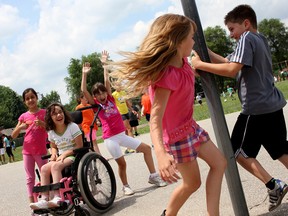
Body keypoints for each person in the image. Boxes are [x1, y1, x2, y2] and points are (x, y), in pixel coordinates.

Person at [111, 14, 227, 216]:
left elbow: (191, 74)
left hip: (191, 127)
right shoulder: (165, 75)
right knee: (193, 183)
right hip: (177, 137)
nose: (194, 41)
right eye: (191, 37)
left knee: (220, 163)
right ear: (179, 40)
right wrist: (161, 153)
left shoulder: (184, 62)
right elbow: (155, 118)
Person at [191, 4, 288, 212]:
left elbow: (231, 69)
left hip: (256, 108)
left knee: (236, 151)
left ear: (245, 23)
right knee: (281, 150)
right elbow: (230, 61)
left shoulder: (246, 38)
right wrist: (206, 52)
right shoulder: (260, 39)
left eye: (231, 29)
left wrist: (199, 65)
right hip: (272, 103)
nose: (230, 35)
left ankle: (274, 185)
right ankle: (275, 185)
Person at [81, 51, 167, 196]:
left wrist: (105, 64)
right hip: (111, 139)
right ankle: (126, 186)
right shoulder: (96, 104)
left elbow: (106, 80)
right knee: (122, 164)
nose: (102, 95)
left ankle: (153, 176)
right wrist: (84, 74)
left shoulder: (111, 99)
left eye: (103, 93)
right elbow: (83, 90)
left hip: (122, 135)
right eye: (98, 94)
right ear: (95, 96)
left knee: (146, 149)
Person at [29, 103, 83, 210]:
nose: (58, 115)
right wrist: (54, 153)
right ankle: (44, 199)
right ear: (50, 118)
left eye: (60, 112)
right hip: (60, 157)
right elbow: (53, 146)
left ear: (64, 113)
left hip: (73, 155)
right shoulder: (51, 132)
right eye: (55, 114)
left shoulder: (72, 126)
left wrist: (65, 154)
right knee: (44, 168)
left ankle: (57, 197)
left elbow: (79, 145)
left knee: (55, 166)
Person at [11, 88, 48, 205]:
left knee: (45, 175)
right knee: (29, 179)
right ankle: (33, 204)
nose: (30, 100)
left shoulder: (44, 113)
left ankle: (46, 200)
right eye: (27, 99)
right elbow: (13, 135)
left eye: (32, 97)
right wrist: (20, 127)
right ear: (24, 102)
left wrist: (42, 124)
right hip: (27, 151)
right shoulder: (23, 116)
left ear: (37, 98)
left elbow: (52, 129)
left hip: (41, 150)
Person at [112, 85, 136, 154]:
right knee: (129, 129)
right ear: (114, 86)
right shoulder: (114, 95)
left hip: (126, 112)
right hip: (120, 114)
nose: (119, 86)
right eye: (117, 85)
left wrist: (132, 110)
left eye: (119, 84)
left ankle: (128, 148)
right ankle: (134, 146)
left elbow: (127, 103)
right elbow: (113, 105)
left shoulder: (123, 92)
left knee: (126, 130)